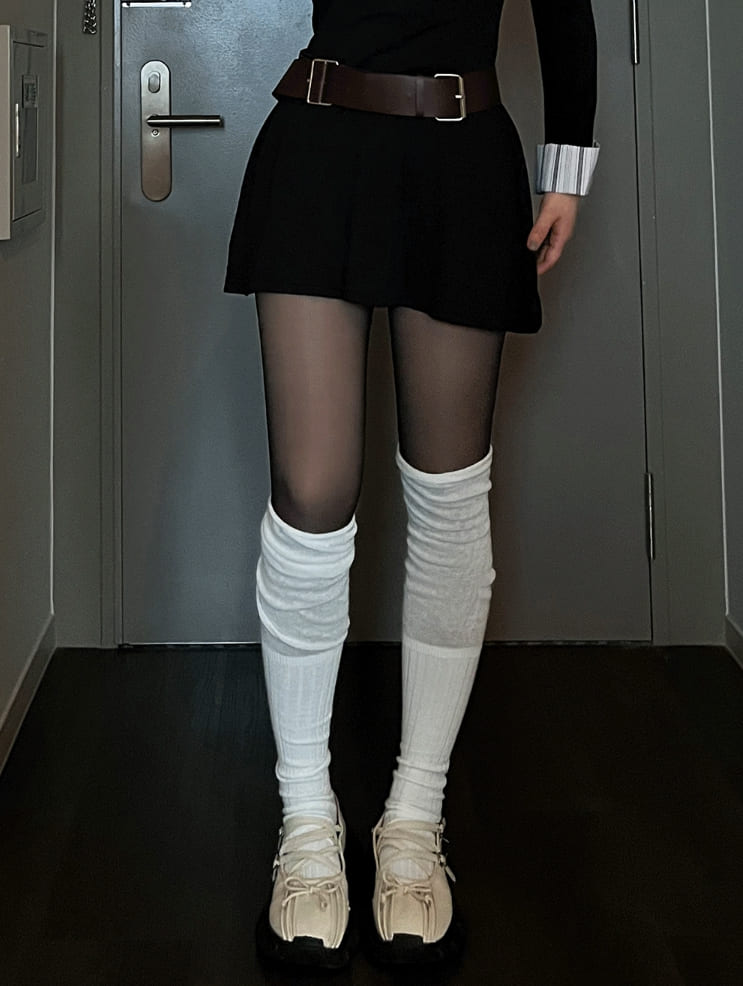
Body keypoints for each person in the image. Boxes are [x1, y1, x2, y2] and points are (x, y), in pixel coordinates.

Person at [224, 0, 600, 971]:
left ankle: (413, 822)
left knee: (446, 491)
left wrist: (567, 166)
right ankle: (306, 824)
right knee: (312, 492)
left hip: (460, 152)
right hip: (319, 143)